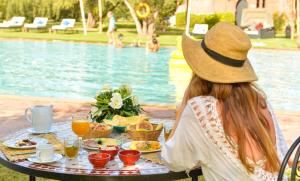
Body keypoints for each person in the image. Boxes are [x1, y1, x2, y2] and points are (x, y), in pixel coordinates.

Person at [161, 22, 288, 181]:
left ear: (201, 67)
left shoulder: (201, 110)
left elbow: (173, 160)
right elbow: (284, 156)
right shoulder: (260, 101)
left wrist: (186, 102)